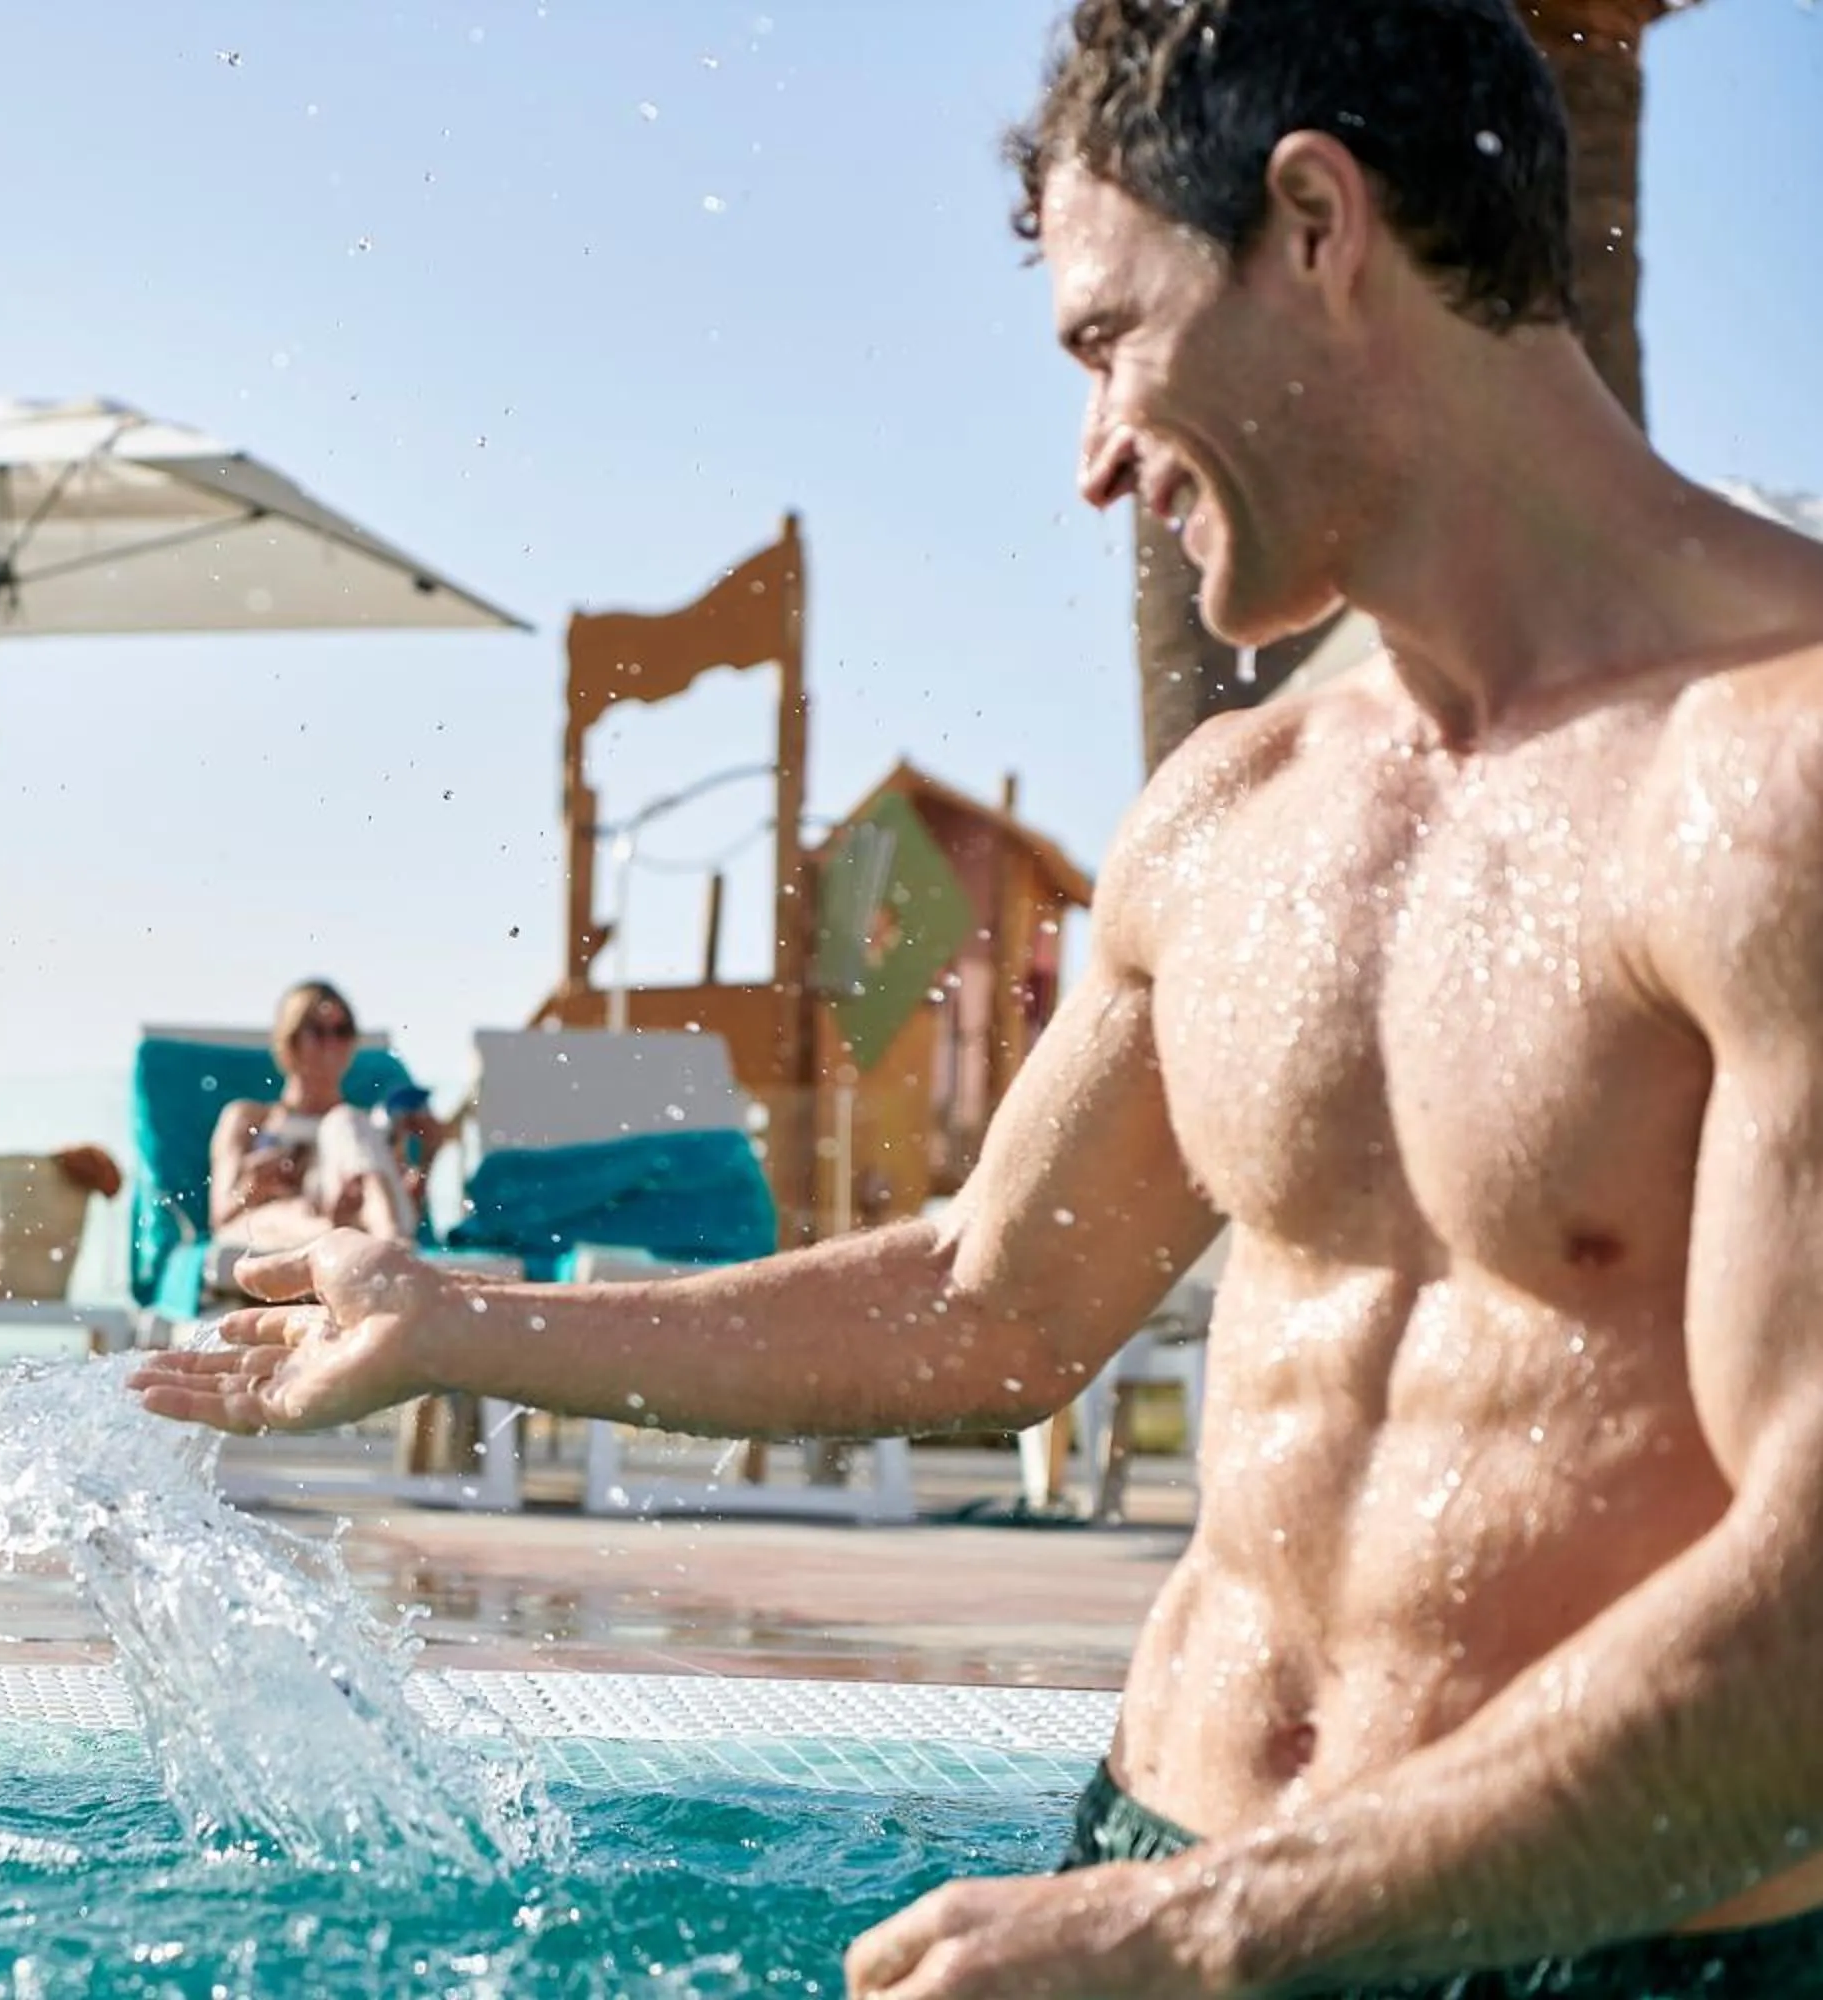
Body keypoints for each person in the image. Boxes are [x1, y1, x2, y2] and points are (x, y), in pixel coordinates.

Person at [136, 1, 1823, 1991]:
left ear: (1315, 226)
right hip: (1132, 1873)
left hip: (1581, 1945)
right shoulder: (1232, 813)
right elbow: (990, 1299)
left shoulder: (1774, 782)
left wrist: (1202, 1934)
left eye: (1111, 340)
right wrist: (447, 1320)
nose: (1094, 460)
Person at [205, 981, 434, 1259]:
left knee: (346, 1120)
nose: (332, 1043)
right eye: (318, 1031)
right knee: (290, 1212)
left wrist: (428, 1155)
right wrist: (254, 1186)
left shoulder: (363, 1125)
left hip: (359, 1225)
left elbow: (409, 1210)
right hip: (281, 1226)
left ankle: (384, 1239)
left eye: (342, 1031)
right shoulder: (247, 1118)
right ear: (290, 1040)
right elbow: (220, 1218)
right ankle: (364, 1239)